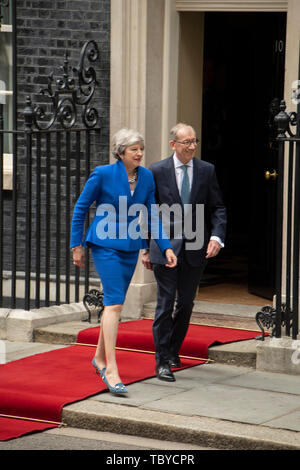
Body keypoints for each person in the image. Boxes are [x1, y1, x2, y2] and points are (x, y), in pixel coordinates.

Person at [70, 128, 177, 394]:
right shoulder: (103, 174)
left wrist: (165, 248)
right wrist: (76, 245)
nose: (140, 153)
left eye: (141, 148)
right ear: (120, 152)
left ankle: (98, 357)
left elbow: (152, 216)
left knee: (112, 304)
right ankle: (110, 368)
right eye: (134, 149)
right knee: (115, 304)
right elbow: (81, 208)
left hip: (130, 246)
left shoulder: (147, 177)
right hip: (104, 245)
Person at [142, 123, 226, 382]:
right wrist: (145, 248)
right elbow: (148, 211)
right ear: (173, 145)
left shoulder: (206, 170)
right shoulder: (156, 171)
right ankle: (162, 360)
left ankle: (173, 350)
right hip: (164, 247)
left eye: (194, 141)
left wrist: (216, 237)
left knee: (186, 303)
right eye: (186, 142)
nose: (191, 146)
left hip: (195, 249)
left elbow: (218, 207)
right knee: (165, 304)